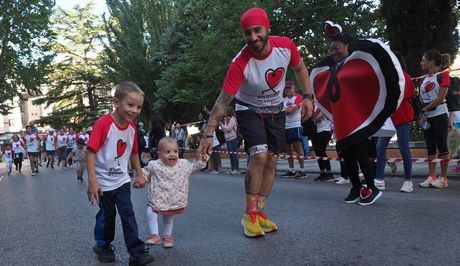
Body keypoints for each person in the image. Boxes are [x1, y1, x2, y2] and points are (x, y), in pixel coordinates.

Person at [197, 7, 313, 237]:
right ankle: (249, 215)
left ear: (268, 28)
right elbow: (224, 99)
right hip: (248, 109)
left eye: (257, 30)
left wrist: (308, 96)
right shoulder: (240, 62)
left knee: (271, 160)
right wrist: (208, 133)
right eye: (247, 33)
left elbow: (300, 67)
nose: (253, 38)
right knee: (259, 156)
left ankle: (260, 212)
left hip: (276, 110)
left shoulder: (286, 46)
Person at [311, 21, 404, 205]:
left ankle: (371, 187)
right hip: (341, 121)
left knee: (360, 152)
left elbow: (369, 83)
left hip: (356, 120)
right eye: (331, 50)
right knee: (346, 155)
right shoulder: (333, 69)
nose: (333, 52)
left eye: (337, 48)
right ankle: (355, 187)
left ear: (347, 46)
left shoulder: (357, 66)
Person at [86, 81, 155, 265]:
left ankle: (136, 252)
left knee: (128, 215)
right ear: (117, 102)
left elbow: (133, 152)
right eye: (130, 105)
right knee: (106, 217)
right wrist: (92, 180)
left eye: (139, 107)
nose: (134, 110)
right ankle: (103, 245)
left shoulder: (132, 127)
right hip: (102, 183)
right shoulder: (104, 123)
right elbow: (90, 151)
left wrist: (139, 173)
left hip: (122, 181)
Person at [143, 137, 208, 248]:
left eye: (175, 151)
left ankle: (168, 237)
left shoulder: (182, 165)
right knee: (150, 211)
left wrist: (202, 160)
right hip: (158, 197)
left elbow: (194, 167)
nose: (172, 154)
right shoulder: (155, 165)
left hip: (173, 199)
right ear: (159, 154)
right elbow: (145, 172)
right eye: (168, 152)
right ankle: (155, 235)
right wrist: (141, 179)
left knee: (168, 219)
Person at [375, 51, 414, 192]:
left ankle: (408, 180)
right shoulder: (388, 76)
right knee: (380, 147)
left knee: (404, 148)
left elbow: (404, 95)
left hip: (402, 116)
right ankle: (379, 179)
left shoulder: (406, 76)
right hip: (389, 118)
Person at [418, 49, 451, 188]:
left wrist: (424, 109)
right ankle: (431, 176)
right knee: (430, 146)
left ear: (432, 62)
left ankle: (443, 178)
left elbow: (440, 98)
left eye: (424, 60)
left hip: (439, 115)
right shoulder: (424, 78)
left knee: (442, 145)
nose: (421, 63)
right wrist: (421, 114)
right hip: (427, 116)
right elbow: (421, 98)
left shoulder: (443, 75)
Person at [280, 81, 307, 178]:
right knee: (288, 149)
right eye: (286, 88)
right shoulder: (283, 99)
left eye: (289, 88)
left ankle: (302, 170)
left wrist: (285, 111)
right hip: (286, 126)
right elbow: (281, 111)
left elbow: (292, 110)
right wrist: (285, 111)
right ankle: (291, 170)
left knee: (298, 147)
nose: (287, 90)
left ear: (293, 88)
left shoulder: (298, 97)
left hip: (295, 125)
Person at [312, 106, 334, 181]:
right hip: (317, 130)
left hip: (325, 130)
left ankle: (329, 173)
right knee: (318, 152)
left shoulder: (323, 105)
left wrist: (313, 118)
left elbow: (320, 117)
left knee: (321, 150)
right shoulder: (315, 106)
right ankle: (322, 172)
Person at [220, 106, 240, 174]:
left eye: (225, 111)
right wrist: (222, 127)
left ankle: (236, 169)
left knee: (234, 154)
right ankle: (232, 169)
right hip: (228, 139)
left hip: (232, 138)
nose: (224, 112)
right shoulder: (227, 119)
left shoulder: (232, 119)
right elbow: (225, 130)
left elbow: (228, 129)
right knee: (230, 154)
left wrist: (222, 125)